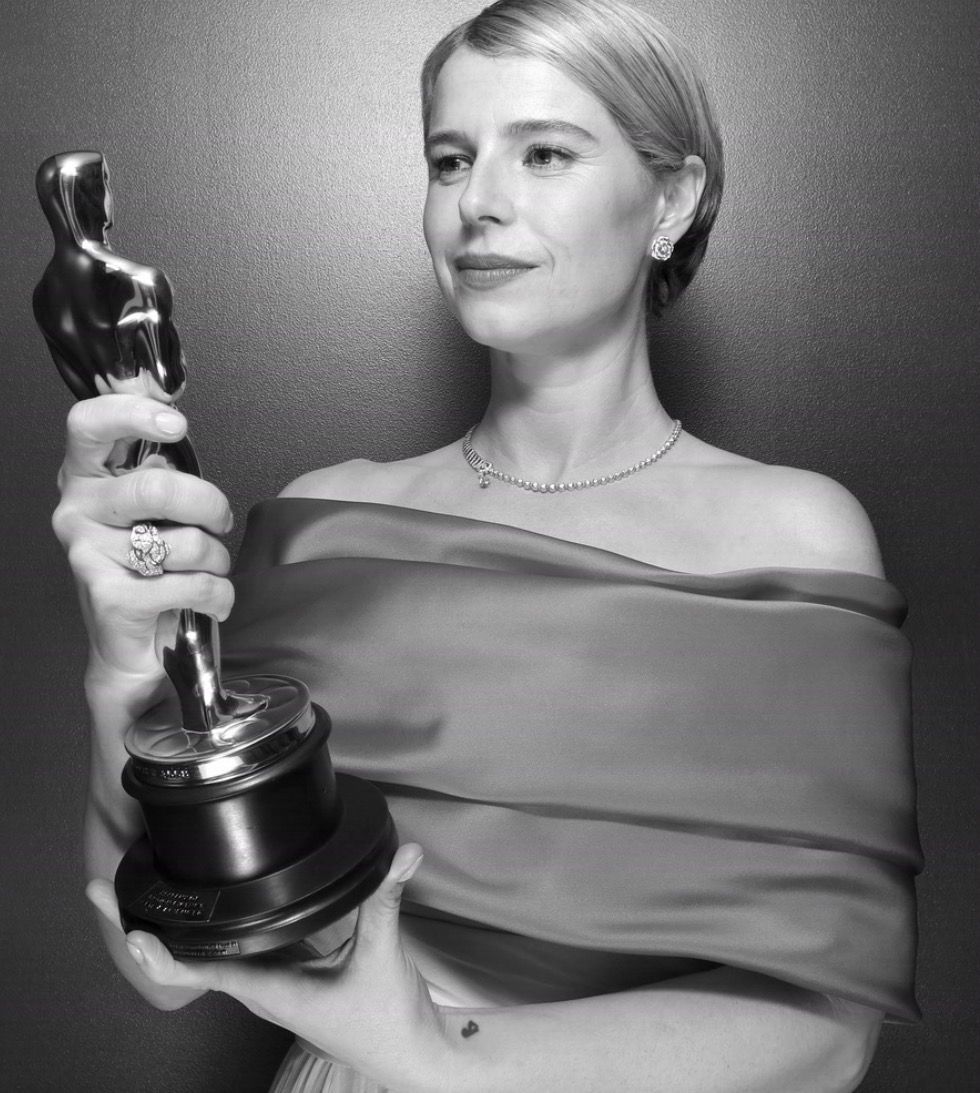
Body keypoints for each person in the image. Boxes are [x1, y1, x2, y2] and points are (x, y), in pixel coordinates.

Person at [53, 1, 921, 1090]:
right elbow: (167, 966)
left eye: (544, 153)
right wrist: (121, 675)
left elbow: (826, 1035)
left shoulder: (791, 534)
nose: (478, 202)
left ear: (672, 199)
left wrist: (427, 1049)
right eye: (450, 159)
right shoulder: (321, 524)